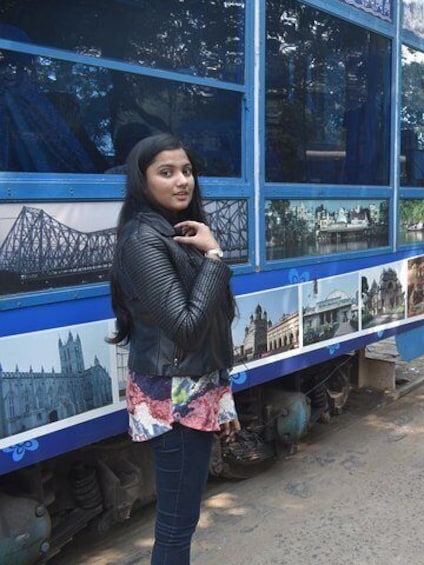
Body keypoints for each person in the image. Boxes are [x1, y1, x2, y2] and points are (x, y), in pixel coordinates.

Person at [107, 133, 240, 564]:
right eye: (166, 172)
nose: (182, 181)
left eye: (186, 170)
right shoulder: (143, 240)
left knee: (180, 521)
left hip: (190, 390)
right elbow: (186, 327)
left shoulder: (174, 232)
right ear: (142, 182)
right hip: (175, 398)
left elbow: (209, 323)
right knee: (176, 526)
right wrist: (216, 258)